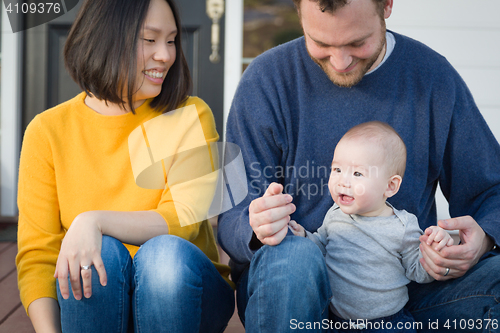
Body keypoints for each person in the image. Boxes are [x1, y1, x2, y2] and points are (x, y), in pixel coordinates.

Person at [217, 0, 500, 332]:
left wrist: (481, 239)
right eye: (321, 43)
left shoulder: (432, 78)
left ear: (387, 5)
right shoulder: (265, 80)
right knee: (294, 257)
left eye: (357, 43)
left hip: (403, 298)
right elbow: (232, 214)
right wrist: (257, 227)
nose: (340, 61)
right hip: (294, 293)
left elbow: (491, 191)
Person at [16, 0, 235, 332]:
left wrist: (94, 220)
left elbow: (183, 220)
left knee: (162, 256)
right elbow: (38, 257)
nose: (166, 55)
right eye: (150, 40)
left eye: (172, 39)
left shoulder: (190, 114)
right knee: (96, 254)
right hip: (98, 300)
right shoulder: (47, 131)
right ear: (104, 39)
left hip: (183, 296)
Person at [289, 121, 453, 332]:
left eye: (357, 174)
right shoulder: (334, 214)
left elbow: (418, 271)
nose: (342, 181)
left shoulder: (402, 226)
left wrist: (435, 251)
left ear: (390, 186)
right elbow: (322, 247)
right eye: (337, 169)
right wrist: (303, 235)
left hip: (388, 323)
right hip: (337, 322)